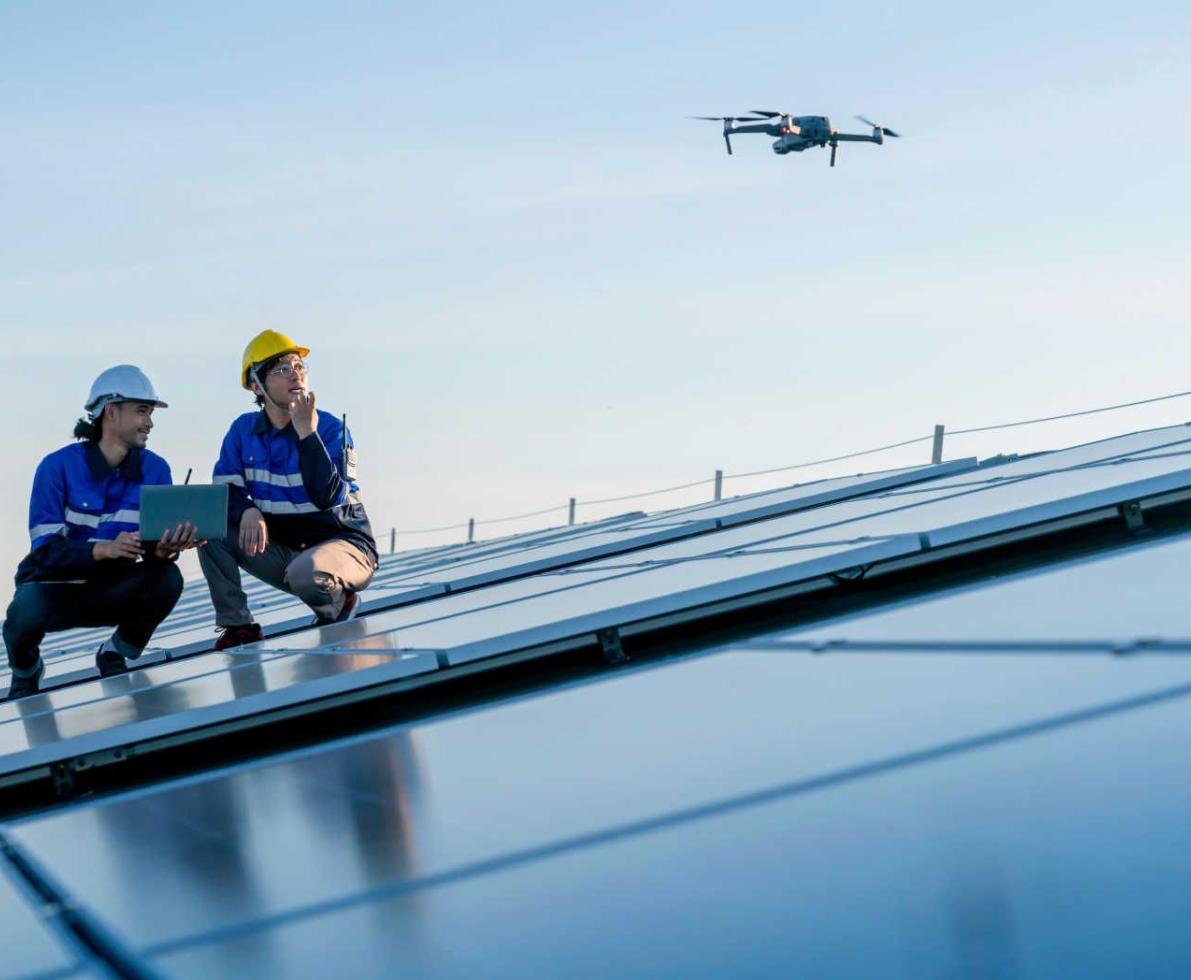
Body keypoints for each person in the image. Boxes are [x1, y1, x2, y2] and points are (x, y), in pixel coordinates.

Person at [3, 366, 198, 700]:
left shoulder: (155, 469)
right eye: (142, 412)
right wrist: (102, 549)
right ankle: (26, 671)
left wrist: (166, 549)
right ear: (110, 411)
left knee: (168, 577)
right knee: (23, 614)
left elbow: (152, 551)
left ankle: (115, 651)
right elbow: (45, 551)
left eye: (150, 413)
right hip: (55, 592)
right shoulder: (56, 468)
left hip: (112, 590)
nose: (149, 423)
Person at [200, 330, 378, 650]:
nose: (295, 373)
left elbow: (328, 496)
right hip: (289, 550)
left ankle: (340, 606)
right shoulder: (243, 431)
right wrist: (247, 510)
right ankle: (239, 626)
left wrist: (306, 434)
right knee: (210, 528)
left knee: (305, 573)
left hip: (344, 545)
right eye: (282, 369)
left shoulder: (331, 429)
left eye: (299, 365)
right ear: (257, 386)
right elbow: (223, 491)